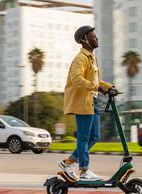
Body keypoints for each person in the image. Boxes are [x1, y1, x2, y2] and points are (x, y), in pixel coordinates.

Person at [59, 26, 114, 181]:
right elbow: (77, 79)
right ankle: (84, 171)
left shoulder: (92, 58)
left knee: (95, 136)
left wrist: (109, 86)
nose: (96, 38)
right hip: (83, 102)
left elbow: (97, 80)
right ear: (84, 39)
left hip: (92, 101)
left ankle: (68, 162)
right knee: (83, 138)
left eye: (96, 35)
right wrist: (97, 87)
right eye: (93, 36)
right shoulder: (80, 59)